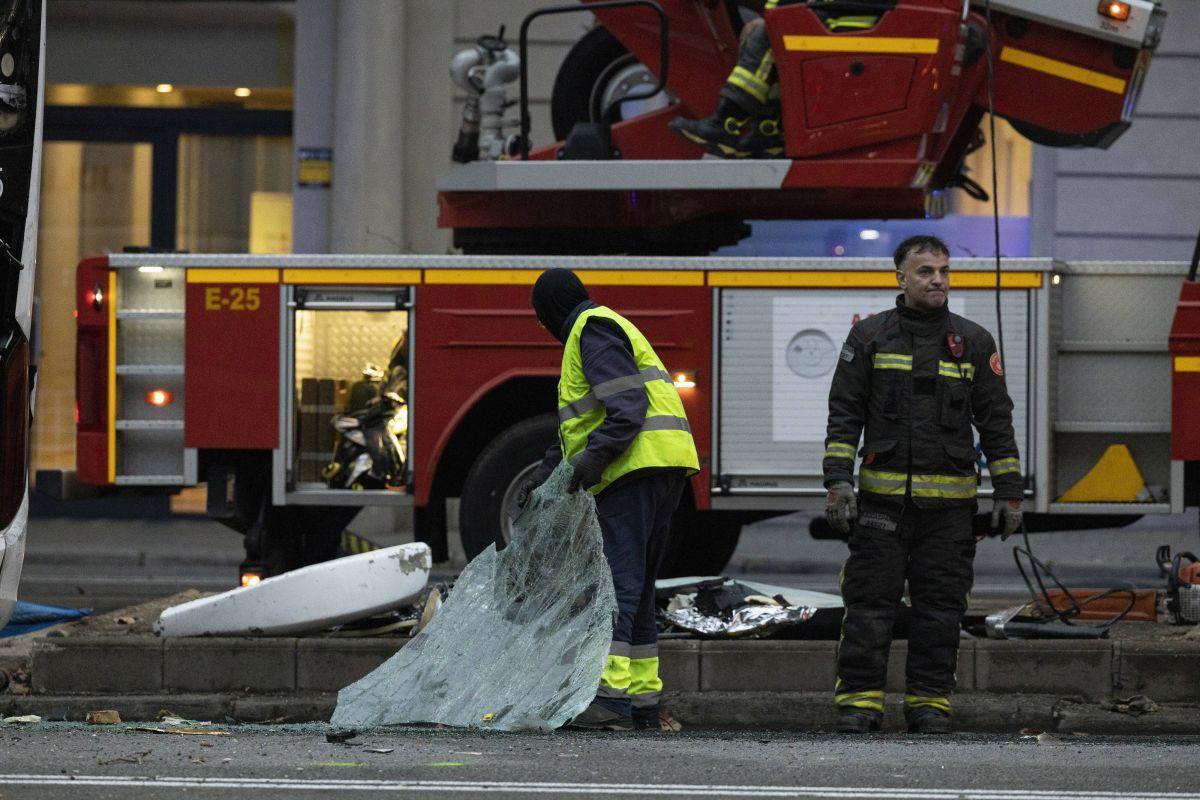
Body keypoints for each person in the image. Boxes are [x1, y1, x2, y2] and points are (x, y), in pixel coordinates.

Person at [822, 235, 1023, 734]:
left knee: (941, 611)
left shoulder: (973, 342)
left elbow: (996, 422)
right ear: (901, 278)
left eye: (943, 271)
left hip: (951, 513)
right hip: (882, 506)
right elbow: (844, 417)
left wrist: (1009, 494)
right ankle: (860, 704)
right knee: (870, 607)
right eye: (926, 271)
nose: (938, 280)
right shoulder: (869, 338)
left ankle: (929, 704)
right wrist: (837, 485)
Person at [520, 268, 700, 731]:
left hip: (632, 472)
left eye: (540, 316)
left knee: (617, 587)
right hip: (662, 466)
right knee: (637, 590)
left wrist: (594, 462)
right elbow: (573, 434)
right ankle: (642, 701)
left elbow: (626, 409)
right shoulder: (601, 327)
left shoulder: (590, 330)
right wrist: (543, 479)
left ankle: (609, 700)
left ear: (550, 311)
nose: (542, 326)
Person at [668, 1, 892, 158]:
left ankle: (727, 121)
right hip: (852, 14)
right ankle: (768, 133)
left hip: (853, 19)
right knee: (763, 27)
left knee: (773, 30)